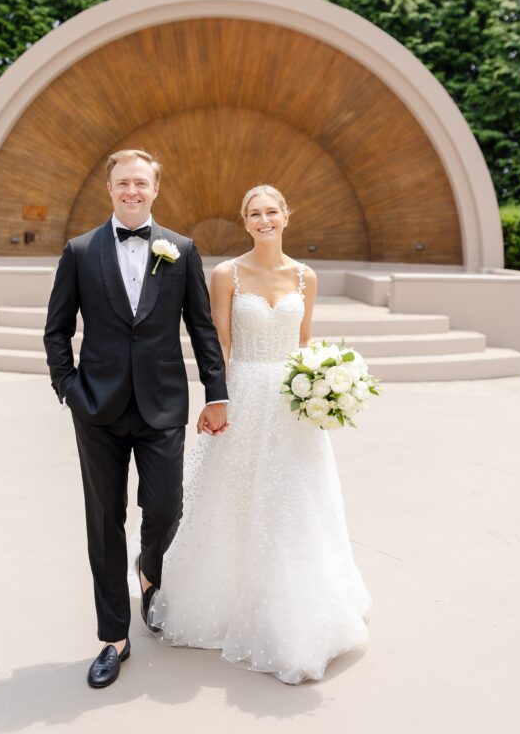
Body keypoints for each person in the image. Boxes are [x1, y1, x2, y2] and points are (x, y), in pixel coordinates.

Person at [146, 185, 372, 684]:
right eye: (255, 213)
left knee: (296, 501)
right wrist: (216, 398)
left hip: (294, 402)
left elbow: (306, 340)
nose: (264, 220)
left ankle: (297, 609)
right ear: (244, 221)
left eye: (272, 211)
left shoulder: (305, 276)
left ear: (287, 216)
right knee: (236, 499)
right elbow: (219, 341)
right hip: (245, 392)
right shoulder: (227, 274)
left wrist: (321, 388)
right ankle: (226, 601)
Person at [43, 149, 228, 689]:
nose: (132, 191)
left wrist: (216, 394)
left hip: (162, 406)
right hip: (96, 408)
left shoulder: (182, 250)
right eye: (123, 182)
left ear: (154, 190)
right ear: (110, 188)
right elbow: (56, 330)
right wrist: (68, 388)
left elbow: (202, 329)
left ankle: (149, 571)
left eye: (141, 183)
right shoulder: (79, 251)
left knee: (166, 505)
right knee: (103, 521)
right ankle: (112, 638)